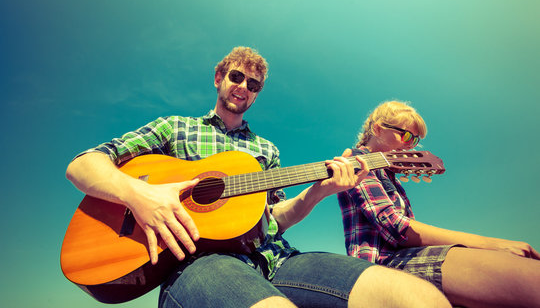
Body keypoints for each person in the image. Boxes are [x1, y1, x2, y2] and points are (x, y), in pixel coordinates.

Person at [66, 48, 451, 308]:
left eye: (253, 85)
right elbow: (83, 164)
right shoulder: (174, 127)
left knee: (416, 297)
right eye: (237, 77)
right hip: (201, 264)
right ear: (219, 77)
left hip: (276, 259)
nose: (243, 88)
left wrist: (321, 191)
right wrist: (139, 196)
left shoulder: (266, 152)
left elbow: (273, 219)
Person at [337, 100, 540, 308]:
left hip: (401, 258)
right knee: (528, 279)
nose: (410, 145)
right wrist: (493, 244)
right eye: (406, 135)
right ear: (378, 129)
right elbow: (394, 227)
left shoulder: (388, 174)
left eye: (415, 140)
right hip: (382, 264)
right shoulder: (356, 160)